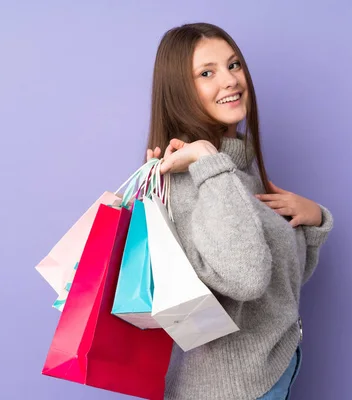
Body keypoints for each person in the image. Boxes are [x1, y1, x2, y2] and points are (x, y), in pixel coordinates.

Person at [145, 22, 333, 400]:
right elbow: (246, 279)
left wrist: (313, 222)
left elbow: (280, 286)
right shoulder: (190, 177)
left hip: (267, 373)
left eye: (233, 65)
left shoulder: (236, 169)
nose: (230, 80)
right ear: (181, 91)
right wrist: (206, 160)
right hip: (227, 389)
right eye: (206, 73)